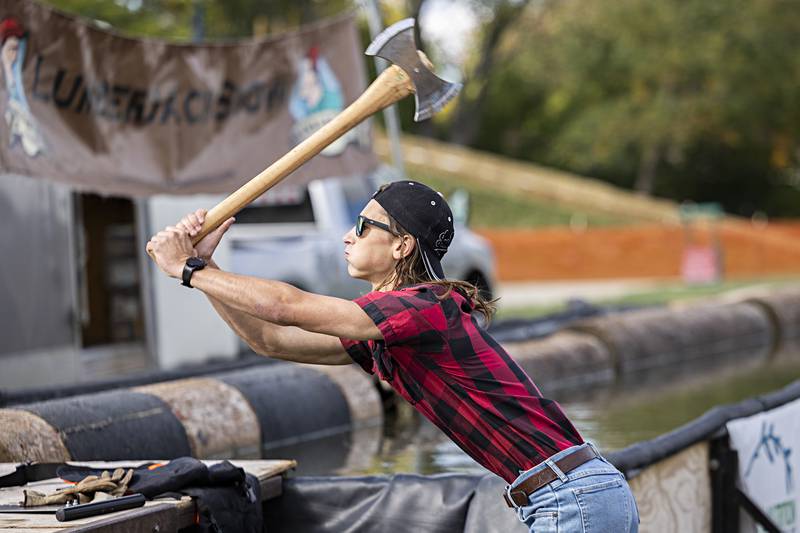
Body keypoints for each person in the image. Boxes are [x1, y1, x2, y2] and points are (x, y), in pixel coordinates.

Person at [147, 180, 640, 531]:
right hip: (568, 496)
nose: (348, 236)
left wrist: (187, 270)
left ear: (402, 244)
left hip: (569, 498)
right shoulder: (393, 330)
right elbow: (270, 339)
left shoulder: (425, 307)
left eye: (362, 226)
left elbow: (286, 306)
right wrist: (205, 267)